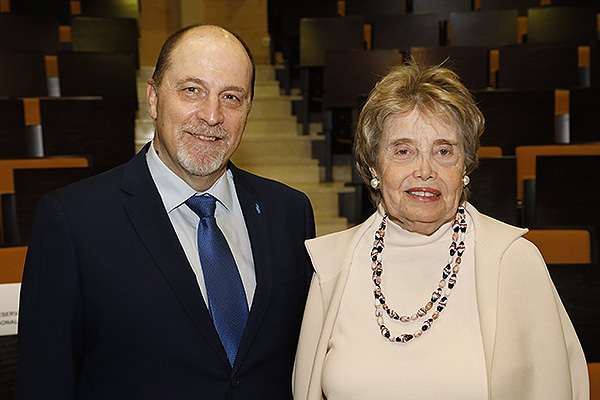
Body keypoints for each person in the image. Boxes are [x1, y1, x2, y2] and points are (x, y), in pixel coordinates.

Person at [15, 25, 315, 399]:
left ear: (249, 108)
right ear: (154, 98)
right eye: (192, 90)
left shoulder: (289, 212)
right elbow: (44, 382)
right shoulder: (73, 220)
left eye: (232, 97)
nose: (212, 115)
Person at [293, 60, 589, 399]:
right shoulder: (331, 266)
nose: (425, 170)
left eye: (444, 151)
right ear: (374, 165)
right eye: (403, 151)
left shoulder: (513, 261)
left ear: (465, 166)